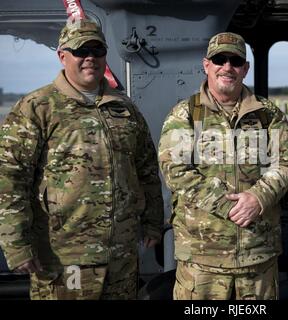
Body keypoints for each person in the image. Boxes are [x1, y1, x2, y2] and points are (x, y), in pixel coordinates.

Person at [0, 19, 164, 299]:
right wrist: (16, 245)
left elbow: (146, 169)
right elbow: (10, 179)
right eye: (80, 51)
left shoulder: (124, 109)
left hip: (120, 256)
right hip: (62, 256)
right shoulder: (36, 107)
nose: (90, 58)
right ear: (63, 56)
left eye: (97, 50)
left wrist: (152, 222)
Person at [158, 32, 288, 300]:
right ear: (206, 65)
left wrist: (258, 198)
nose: (227, 67)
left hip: (257, 256)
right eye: (219, 59)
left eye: (235, 60)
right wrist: (229, 206)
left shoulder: (267, 114)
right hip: (202, 261)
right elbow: (175, 171)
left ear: (245, 69)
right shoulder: (186, 114)